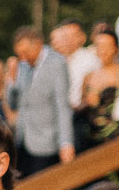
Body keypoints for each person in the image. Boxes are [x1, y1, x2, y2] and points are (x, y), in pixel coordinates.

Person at [8, 27, 75, 177]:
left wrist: (66, 143)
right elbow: (13, 104)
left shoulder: (57, 63)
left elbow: (62, 106)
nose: (23, 58)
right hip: (23, 141)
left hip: (47, 142)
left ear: (38, 44)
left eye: (26, 52)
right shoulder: (22, 65)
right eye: (20, 54)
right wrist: (11, 81)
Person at [80, 25, 119, 145]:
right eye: (99, 46)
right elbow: (81, 107)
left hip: (116, 137)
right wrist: (87, 102)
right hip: (90, 139)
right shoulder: (88, 77)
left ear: (116, 48)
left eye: (107, 46)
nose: (103, 50)